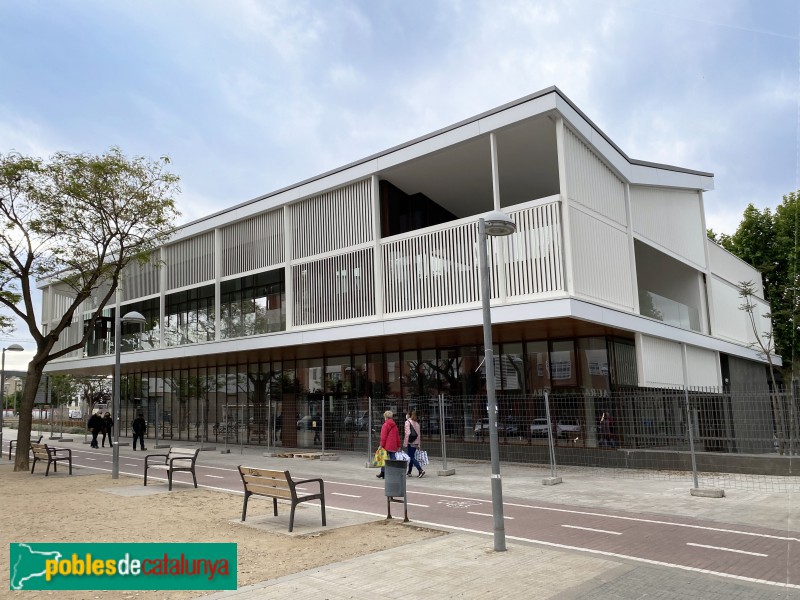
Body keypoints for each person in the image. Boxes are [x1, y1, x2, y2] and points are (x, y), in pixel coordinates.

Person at [376, 410, 401, 479]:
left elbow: (383, 437)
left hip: (386, 445)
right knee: (393, 459)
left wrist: (381, 445)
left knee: (383, 458)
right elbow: (397, 437)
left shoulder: (385, 425)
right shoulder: (395, 426)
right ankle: (394, 473)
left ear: (385, 417)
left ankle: (383, 473)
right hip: (393, 446)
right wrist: (398, 446)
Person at [404, 410, 425, 478]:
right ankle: (409, 472)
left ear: (409, 415)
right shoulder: (417, 423)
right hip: (415, 442)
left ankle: (420, 470)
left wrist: (405, 443)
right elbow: (419, 435)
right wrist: (418, 444)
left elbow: (407, 433)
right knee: (411, 456)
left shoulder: (407, 422)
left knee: (411, 457)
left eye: (407, 414)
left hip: (410, 442)